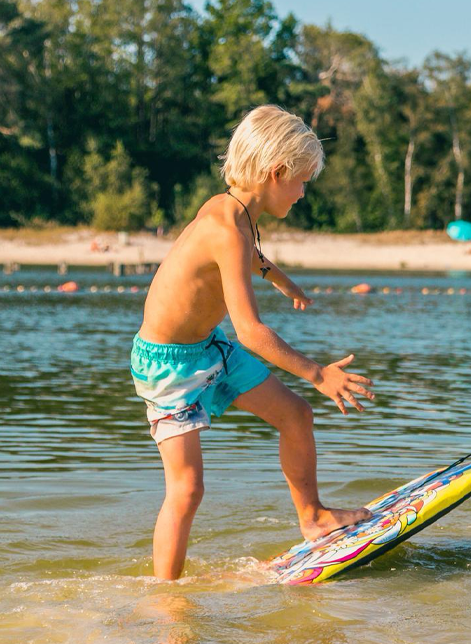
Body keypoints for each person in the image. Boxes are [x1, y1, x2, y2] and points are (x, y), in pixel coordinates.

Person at [130, 105, 375, 580]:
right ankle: (166, 598)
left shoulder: (232, 210)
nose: (302, 193)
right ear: (276, 172)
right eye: (301, 181)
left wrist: (282, 280)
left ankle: (313, 517)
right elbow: (250, 332)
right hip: (167, 366)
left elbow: (251, 255)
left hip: (209, 348)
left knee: (296, 415)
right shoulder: (225, 228)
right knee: (187, 489)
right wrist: (318, 373)